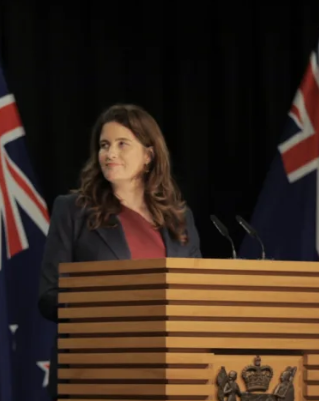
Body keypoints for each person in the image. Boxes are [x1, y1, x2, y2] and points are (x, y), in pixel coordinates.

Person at [37, 104, 202, 399]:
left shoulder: (179, 219)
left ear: (148, 155)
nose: (110, 154)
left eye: (122, 144)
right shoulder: (72, 211)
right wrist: (114, 301)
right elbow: (49, 297)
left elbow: (196, 297)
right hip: (94, 371)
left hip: (169, 372)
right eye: (104, 145)